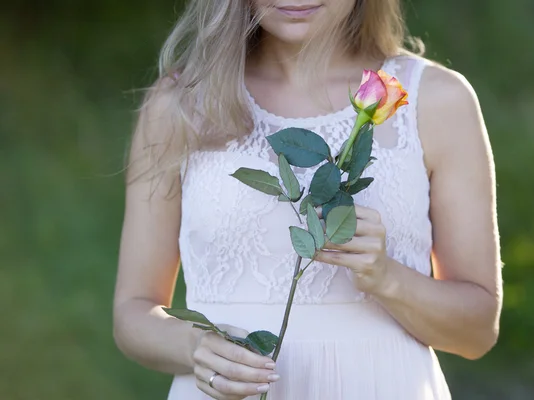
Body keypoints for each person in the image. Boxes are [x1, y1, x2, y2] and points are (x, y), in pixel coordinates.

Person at [112, 1, 503, 399]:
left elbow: (477, 332)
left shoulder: (436, 100)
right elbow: (133, 312)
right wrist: (196, 346)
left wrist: (387, 278)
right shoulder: (181, 103)